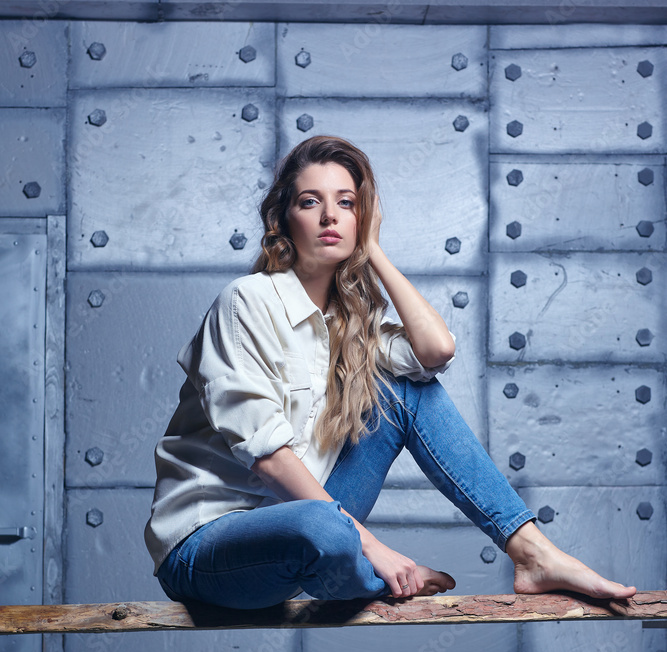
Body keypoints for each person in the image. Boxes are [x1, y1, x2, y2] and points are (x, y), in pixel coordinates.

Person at [144, 135, 636, 610]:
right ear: (282, 220)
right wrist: (374, 547)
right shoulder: (245, 303)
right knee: (321, 527)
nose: (330, 216)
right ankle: (371, 572)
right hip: (208, 546)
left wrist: (373, 250)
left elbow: (435, 351)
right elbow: (268, 459)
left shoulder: (350, 324)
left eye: (347, 204)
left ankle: (532, 552)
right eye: (311, 202)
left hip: (314, 530)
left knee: (407, 391)